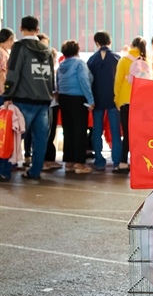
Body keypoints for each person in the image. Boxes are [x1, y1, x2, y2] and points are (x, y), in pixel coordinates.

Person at [2, 15, 53, 180]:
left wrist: (8, 94)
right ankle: (35, 171)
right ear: (38, 30)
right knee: (40, 139)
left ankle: (4, 171)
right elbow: (51, 75)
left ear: (20, 28)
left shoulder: (19, 47)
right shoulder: (46, 49)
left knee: (15, 136)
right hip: (44, 101)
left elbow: (13, 72)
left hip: (23, 100)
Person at [57, 40, 95, 174]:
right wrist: (90, 100)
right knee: (80, 131)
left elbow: (57, 82)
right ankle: (79, 164)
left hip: (63, 98)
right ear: (77, 51)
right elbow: (84, 81)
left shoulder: (61, 64)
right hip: (78, 99)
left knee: (68, 131)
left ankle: (69, 162)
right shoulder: (79, 63)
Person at [87, 31, 123, 171]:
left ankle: (99, 160)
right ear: (110, 42)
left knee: (97, 130)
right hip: (114, 100)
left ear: (97, 43)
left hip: (97, 100)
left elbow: (88, 80)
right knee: (115, 131)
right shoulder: (117, 58)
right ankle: (116, 161)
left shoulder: (91, 59)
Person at [114, 36, 149, 174]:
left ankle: (123, 162)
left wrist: (117, 99)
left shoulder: (124, 60)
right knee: (139, 133)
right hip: (142, 102)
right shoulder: (146, 60)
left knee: (127, 133)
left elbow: (118, 82)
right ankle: (140, 164)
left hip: (126, 101)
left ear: (131, 45)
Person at [38, 34, 62, 171]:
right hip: (48, 104)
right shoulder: (43, 69)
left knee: (50, 133)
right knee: (45, 133)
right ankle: (43, 161)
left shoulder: (53, 70)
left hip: (52, 104)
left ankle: (48, 159)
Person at [0, 28, 16, 181]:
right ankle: (4, 170)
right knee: (4, 134)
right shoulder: (2, 53)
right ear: (9, 39)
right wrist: (7, 95)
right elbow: (2, 76)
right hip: (1, 98)